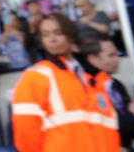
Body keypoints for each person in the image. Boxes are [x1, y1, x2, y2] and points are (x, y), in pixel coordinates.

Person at [10, 12, 119, 152]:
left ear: (71, 37)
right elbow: (25, 130)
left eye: (58, 33)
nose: (52, 39)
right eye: (46, 35)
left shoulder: (91, 80)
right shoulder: (36, 76)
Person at [77, 34, 134, 151]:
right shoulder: (84, 87)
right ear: (93, 59)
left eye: (117, 53)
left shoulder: (115, 84)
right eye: (111, 55)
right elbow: (104, 129)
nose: (118, 58)